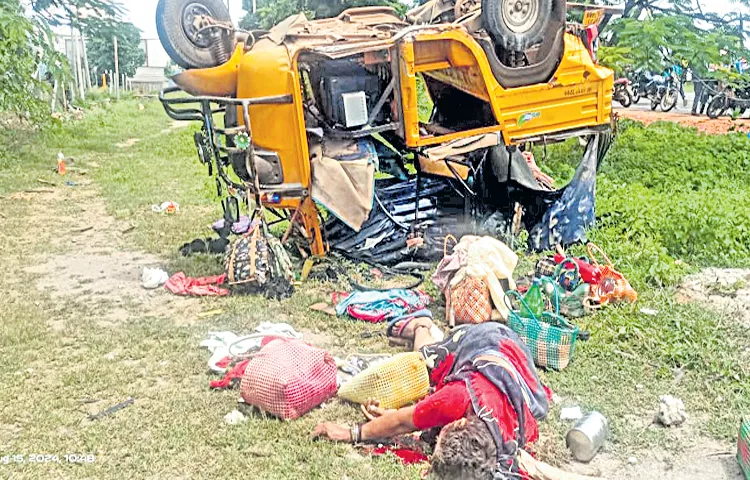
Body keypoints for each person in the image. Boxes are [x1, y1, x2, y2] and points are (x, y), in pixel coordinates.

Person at [312, 318, 551, 480]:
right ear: (458, 422)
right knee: (424, 362)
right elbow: (403, 422)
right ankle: (421, 326)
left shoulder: (502, 446)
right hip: (486, 338)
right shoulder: (456, 399)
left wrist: (398, 415)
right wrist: (352, 433)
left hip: (512, 362)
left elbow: (406, 421)